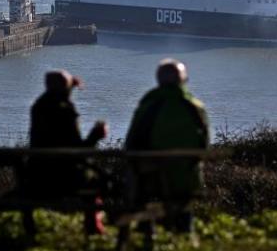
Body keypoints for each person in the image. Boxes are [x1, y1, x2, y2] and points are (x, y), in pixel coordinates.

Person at [125, 59, 209, 233]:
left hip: (150, 179)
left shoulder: (149, 104)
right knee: (184, 198)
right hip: (185, 178)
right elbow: (204, 144)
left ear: (158, 80)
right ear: (183, 80)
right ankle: (184, 233)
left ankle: (146, 231)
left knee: (140, 183)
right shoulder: (195, 107)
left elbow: (132, 141)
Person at [26, 69, 108, 233]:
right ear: (66, 89)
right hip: (64, 177)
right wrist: (96, 135)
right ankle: (93, 224)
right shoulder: (66, 111)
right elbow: (78, 150)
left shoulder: (38, 107)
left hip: (37, 174)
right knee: (99, 181)